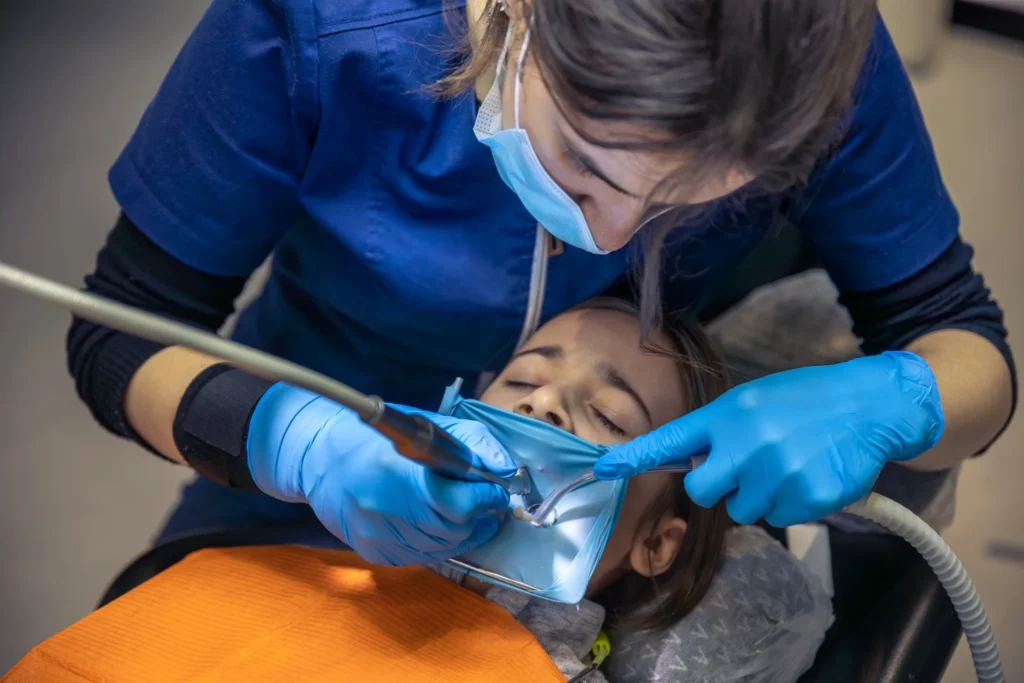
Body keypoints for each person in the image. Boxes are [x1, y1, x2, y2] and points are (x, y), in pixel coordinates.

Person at [67, 0, 1015, 565]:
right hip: (297, 471)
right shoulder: (325, 25)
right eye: (588, 167)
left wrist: (908, 397)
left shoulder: (808, 55)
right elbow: (119, 335)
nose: (614, 236)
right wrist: (290, 444)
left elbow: (961, 337)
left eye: (692, 204)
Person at [15, 302, 829, 683]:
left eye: (609, 415)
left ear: (657, 542)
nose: (543, 404)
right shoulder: (274, 572)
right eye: (520, 381)